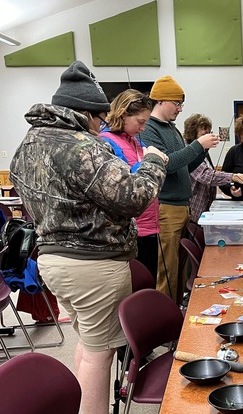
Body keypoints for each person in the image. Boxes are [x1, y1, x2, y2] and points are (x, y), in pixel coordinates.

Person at [9, 61, 168, 414]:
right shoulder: (82, 146)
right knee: (100, 354)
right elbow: (134, 197)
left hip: (52, 261)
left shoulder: (28, 144)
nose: (100, 126)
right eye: (98, 119)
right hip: (93, 266)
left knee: (90, 343)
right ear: (85, 112)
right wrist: (155, 161)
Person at [141, 76, 220, 304]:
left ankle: (176, 314)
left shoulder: (172, 129)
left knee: (179, 269)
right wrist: (197, 145)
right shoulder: (150, 130)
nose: (179, 109)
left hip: (182, 208)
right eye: (177, 103)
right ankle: (164, 322)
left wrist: (201, 151)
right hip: (167, 208)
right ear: (162, 100)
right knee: (167, 270)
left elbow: (184, 165)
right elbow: (168, 164)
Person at [101, 89, 159, 284]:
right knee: (136, 288)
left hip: (150, 226)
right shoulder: (107, 142)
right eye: (140, 122)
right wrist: (151, 161)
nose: (143, 128)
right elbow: (124, 182)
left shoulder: (134, 141)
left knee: (149, 283)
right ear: (123, 114)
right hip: (132, 231)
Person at [183, 113, 243, 223]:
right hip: (194, 211)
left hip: (205, 209)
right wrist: (233, 177)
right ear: (193, 134)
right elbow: (205, 175)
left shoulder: (203, 151)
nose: (209, 137)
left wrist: (231, 187)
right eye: (204, 134)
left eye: (209, 133)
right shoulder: (190, 151)